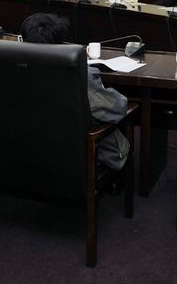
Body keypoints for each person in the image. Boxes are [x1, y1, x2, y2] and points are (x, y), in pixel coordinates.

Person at [20, 12, 130, 172]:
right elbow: (117, 110)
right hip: (73, 160)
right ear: (60, 43)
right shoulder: (80, 74)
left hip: (22, 155)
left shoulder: (8, 68)